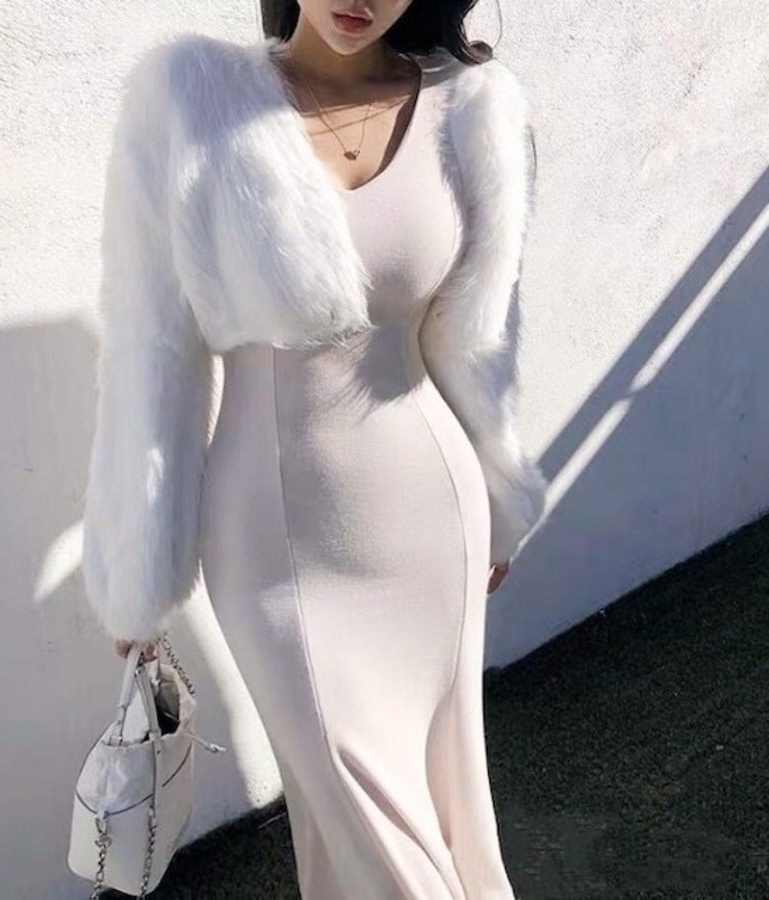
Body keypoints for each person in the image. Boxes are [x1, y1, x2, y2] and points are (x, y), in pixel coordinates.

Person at [82, 1, 547, 897]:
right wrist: (136, 563)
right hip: (273, 541)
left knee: (431, 805)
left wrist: (500, 491)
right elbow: (151, 348)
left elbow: (477, 341)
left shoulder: (472, 108)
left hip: (432, 517)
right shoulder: (190, 102)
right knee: (367, 822)